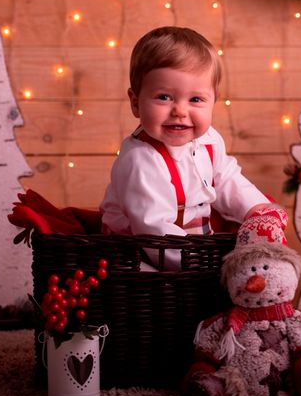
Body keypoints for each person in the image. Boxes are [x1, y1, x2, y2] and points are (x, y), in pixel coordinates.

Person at [100, 26, 280, 269]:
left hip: (196, 242)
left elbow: (226, 178)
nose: (180, 111)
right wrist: (200, 264)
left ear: (213, 102)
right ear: (135, 103)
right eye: (164, 97)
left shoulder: (209, 140)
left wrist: (257, 210)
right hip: (142, 250)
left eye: (195, 99)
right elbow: (154, 231)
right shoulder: (140, 159)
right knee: (152, 287)